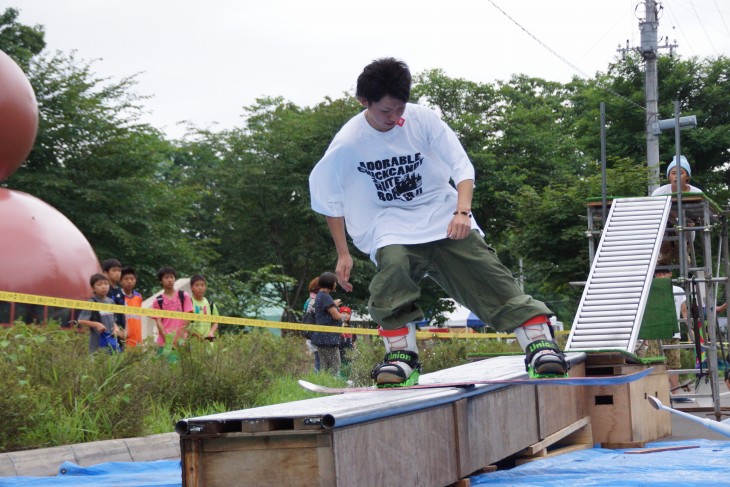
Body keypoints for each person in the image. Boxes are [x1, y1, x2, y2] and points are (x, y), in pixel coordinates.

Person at [309, 57, 566, 386]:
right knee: (393, 268)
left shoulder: (422, 120)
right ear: (364, 102)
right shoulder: (348, 142)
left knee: (484, 268)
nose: (395, 117)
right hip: (389, 223)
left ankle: (540, 345)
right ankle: (402, 356)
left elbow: (461, 166)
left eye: (400, 108)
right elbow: (328, 198)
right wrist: (343, 253)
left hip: (441, 212)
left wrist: (462, 212)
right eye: (386, 111)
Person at [76, 273, 122, 354]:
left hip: (110, 341)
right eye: (99, 284)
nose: (104, 286)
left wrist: (116, 328)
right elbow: (81, 320)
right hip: (96, 343)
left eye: (106, 284)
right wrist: (97, 324)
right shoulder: (92, 302)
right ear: (93, 288)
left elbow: (113, 320)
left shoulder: (111, 301)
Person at [311, 272, 345, 375]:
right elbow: (336, 315)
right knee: (334, 366)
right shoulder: (326, 297)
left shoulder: (319, 296)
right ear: (330, 283)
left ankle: (323, 383)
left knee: (324, 366)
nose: (335, 284)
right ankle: (331, 385)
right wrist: (343, 317)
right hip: (328, 338)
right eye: (335, 282)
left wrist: (333, 304)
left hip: (322, 337)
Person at [151, 266, 194, 347]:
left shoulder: (184, 296)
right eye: (166, 278)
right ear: (161, 281)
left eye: (172, 277)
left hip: (182, 341)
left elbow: (188, 316)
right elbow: (158, 322)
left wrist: (182, 336)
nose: (170, 280)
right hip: (164, 343)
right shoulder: (158, 301)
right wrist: (168, 340)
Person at [102, 258, 126, 344]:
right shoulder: (103, 291)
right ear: (105, 273)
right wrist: (114, 327)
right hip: (108, 332)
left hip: (121, 332)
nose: (118, 273)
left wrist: (125, 330)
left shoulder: (120, 291)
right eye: (114, 270)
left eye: (119, 270)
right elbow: (105, 313)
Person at [188, 274, 219, 341]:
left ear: (205, 287)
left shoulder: (210, 304)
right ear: (191, 287)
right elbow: (185, 325)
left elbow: (216, 322)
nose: (200, 288)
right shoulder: (188, 303)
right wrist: (198, 336)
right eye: (197, 285)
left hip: (208, 342)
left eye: (202, 285)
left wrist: (211, 333)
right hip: (192, 342)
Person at [120, 266, 144, 348]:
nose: (129, 281)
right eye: (126, 279)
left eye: (132, 279)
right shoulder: (118, 297)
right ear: (120, 281)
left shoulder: (139, 296)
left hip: (137, 337)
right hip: (124, 337)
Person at [302, 277, 321, 371]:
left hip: (311, 334)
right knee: (319, 361)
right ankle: (318, 380)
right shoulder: (314, 301)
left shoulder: (309, 299)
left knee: (319, 360)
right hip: (315, 335)